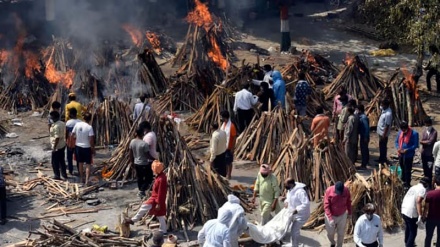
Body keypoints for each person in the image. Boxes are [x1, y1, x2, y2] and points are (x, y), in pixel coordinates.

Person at [125, 161, 168, 233]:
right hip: (156, 198)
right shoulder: (160, 176)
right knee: (160, 215)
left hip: (156, 199)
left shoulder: (161, 179)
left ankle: (133, 220)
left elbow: (161, 193)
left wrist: (158, 203)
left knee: (144, 206)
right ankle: (163, 230)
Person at [401, 177, 429, 247]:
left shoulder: (413, 187)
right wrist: (420, 215)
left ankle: (407, 242)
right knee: (413, 232)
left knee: (408, 228)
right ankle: (409, 245)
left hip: (404, 209)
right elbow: (419, 201)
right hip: (411, 212)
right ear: (426, 184)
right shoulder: (422, 189)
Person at [283, 178, 310, 247]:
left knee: (294, 231)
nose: (285, 186)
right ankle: (293, 244)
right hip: (293, 213)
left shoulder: (300, 192)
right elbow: (288, 198)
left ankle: (295, 245)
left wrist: (297, 209)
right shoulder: (290, 189)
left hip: (301, 215)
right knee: (292, 229)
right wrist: (286, 202)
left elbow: (306, 204)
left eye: (286, 184)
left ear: (291, 184)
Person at [324, 181, 352, 247]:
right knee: (330, 233)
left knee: (341, 233)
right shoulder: (329, 190)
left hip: (342, 215)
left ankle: (339, 245)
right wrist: (330, 218)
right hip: (331, 215)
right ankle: (332, 242)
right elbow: (326, 206)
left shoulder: (346, 190)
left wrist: (350, 213)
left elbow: (349, 202)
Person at [72, 112, 95, 185]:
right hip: (86, 147)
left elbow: (72, 134)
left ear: (83, 118)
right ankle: (87, 180)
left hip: (78, 146)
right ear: (90, 119)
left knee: (80, 163)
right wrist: (92, 148)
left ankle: (82, 178)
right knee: (88, 164)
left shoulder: (77, 124)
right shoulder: (89, 127)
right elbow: (91, 139)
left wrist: (76, 138)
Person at [130, 127, 153, 199]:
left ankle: (141, 190)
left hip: (136, 163)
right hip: (143, 163)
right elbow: (147, 155)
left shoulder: (132, 141)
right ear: (143, 134)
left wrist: (131, 162)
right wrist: (154, 159)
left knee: (139, 178)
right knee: (148, 178)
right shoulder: (144, 144)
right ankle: (141, 191)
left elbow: (130, 153)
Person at [395, 121, 419, 188]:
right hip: (401, 154)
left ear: (407, 128)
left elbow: (415, 145)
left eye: (404, 130)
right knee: (402, 168)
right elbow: (396, 142)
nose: (403, 131)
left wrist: (408, 149)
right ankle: (403, 181)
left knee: (407, 169)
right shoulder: (400, 132)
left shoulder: (414, 134)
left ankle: (407, 183)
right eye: (402, 130)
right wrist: (398, 148)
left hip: (408, 155)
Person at [49, 111, 68, 180]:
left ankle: (57, 175)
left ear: (54, 117)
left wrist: (54, 147)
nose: (50, 118)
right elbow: (66, 132)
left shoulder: (56, 126)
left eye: (51, 117)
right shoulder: (62, 123)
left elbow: (57, 138)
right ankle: (64, 174)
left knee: (54, 162)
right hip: (62, 144)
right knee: (62, 161)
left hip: (57, 146)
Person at [423, 177, 440, 247]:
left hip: (431, 218)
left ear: (435, 184)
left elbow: (426, 207)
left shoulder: (430, 194)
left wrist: (423, 216)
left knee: (429, 236)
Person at [420, 117, 437, 186]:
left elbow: (430, 142)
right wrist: (424, 142)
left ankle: (429, 184)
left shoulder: (434, 132)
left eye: (427, 125)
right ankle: (425, 183)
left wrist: (423, 142)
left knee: (429, 169)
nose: (426, 126)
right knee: (424, 168)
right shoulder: (424, 131)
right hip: (423, 153)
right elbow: (423, 140)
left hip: (430, 154)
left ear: (430, 124)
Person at [220, 111, 237, 180]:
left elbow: (234, 137)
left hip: (229, 147)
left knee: (229, 162)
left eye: (222, 117)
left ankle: (229, 174)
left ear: (225, 118)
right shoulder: (223, 125)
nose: (221, 118)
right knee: (224, 161)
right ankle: (226, 173)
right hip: (223, 147)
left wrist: (232, 148)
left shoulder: (231, 126)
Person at [65, 108, 82, 175]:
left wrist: (66, 139)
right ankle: (79, 170)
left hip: (70, 141)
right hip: (78, 141)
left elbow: (66, 132)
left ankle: (70, 170)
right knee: (78, 157)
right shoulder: (80, 122)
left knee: (69, 157)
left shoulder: (68, 122)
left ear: (71, 114)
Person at [376, 99, 393, 164]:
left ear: (386, 105)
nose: (381, 106)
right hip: (380, 131)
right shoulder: (384, 109)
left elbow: (387, 125)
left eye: (382, 105)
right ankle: (381, 158)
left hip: (383, 133)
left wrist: (384, 134)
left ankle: (383, 160)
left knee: (383, 147)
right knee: (381, 146)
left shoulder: (388, 114)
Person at [358, 104, 370, 169]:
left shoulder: (363, 118)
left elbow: (366, 128)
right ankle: (366, 161)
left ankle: (364, 164)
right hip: (364, 135)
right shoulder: (362, 117)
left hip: (364, 136)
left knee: (364, 150)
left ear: (359, 110)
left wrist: (365, 136)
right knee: (365, 149)